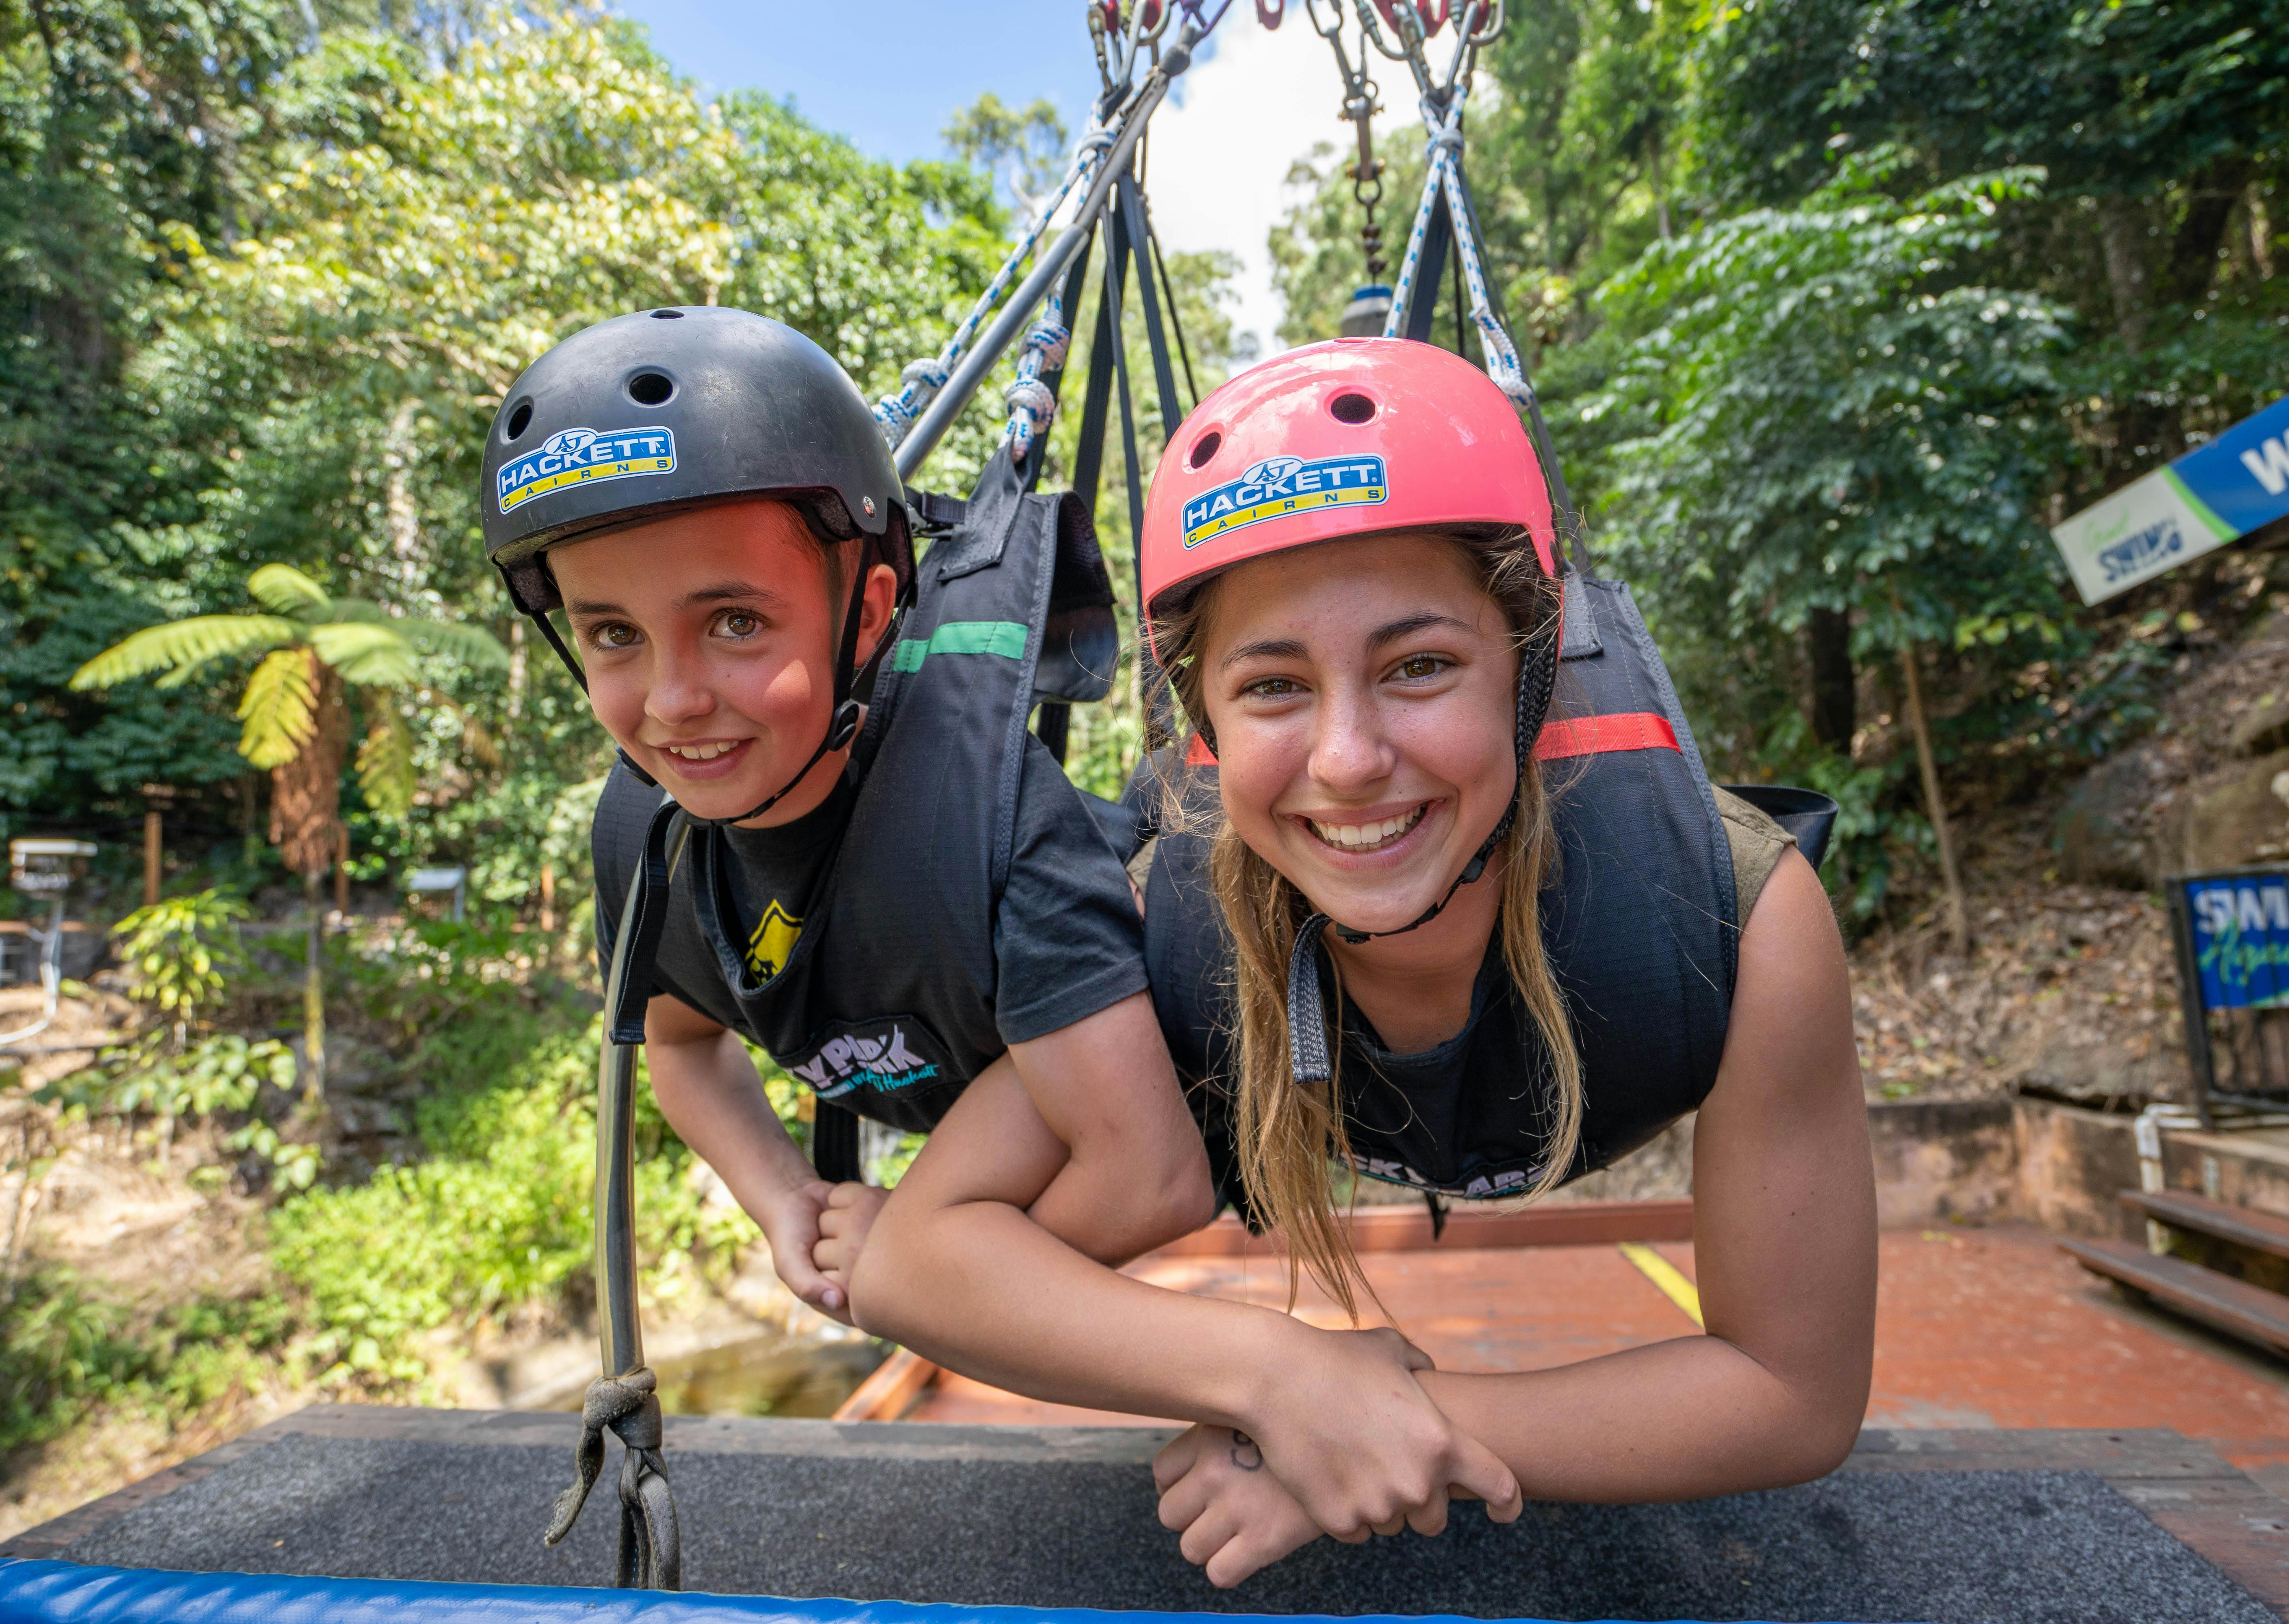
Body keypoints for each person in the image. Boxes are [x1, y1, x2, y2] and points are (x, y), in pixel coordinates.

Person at [483, 309, 1524, 1548]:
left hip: (1137, 1076)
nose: (672, 699)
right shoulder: (649, 839)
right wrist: (782, 1199)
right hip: (1000, 1109)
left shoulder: (994, 829)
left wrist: (938, 1271)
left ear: (871, 609)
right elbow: (682, 1042)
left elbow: (1146, 1176)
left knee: (930, 1254)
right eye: (613, 634)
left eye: (736, 623)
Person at [1106, 338, 1879, 1585]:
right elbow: (934, 1258)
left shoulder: (1740, 919)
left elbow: (1794, 1393)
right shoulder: (1162, 924)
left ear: (1531, 669)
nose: (1348, 760)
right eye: (1273, 686)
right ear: (1204, 722)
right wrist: (1281, 1379)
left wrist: (1379, 1426)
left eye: (1419, 666)